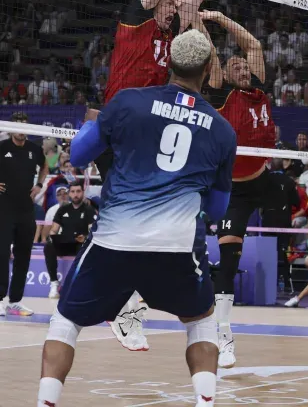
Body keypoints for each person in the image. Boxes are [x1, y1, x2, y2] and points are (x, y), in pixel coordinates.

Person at [36, 29, 237, 407]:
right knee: (201, 322)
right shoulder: (223, 130)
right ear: (210, 68)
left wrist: (93, 124)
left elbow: (77, 156)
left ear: (168, 62)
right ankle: (205, 403)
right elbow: (217, 211)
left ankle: (45, 403)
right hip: (178, 245)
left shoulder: (128, 102)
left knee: (66, 322)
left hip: (116, 239)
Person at [93, 0, 241, 351]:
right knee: (128, 223)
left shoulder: (172, 35)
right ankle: (117, 306)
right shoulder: (135, 20)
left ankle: (128, 304)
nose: (178, 1)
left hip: (148, 137)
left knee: (153, 224)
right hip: (118, 130)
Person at [201, 12, 286, 369]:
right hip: (234, 191)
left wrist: (221, 17)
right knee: (228, 261)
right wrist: (199, 21)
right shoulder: (223, 94)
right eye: (233, 65)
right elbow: (209, 52)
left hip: (265, 181)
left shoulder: (259, 89)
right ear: (224, 74)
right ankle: (223, 334)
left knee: (296, 211)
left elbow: (252, 45)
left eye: (243, 65)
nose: (241, 67)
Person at [0, 111, 48, 317]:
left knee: (23, 255)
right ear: (11, 128)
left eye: (24, 126)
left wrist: (39, 185)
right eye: (17, 126)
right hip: (4, 209)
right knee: (2, 254)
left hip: (25, 210)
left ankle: (15, 301)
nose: (21, 130)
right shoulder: (2, 147)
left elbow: (45, 166)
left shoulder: (34, 149)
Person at [44, 183, 97, 299]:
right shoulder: (62, 209)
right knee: (49, 246)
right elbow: (54, 230)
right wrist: (51, 238)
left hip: (80, 243)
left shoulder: (89, 210)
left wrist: (85, 237)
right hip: (65, 242)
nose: (75, 194)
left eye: (78, 191)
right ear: (69, 194)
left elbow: (92, 231)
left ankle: (79, 285)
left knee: (86, 247)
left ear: (82, 193)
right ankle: (54, 283)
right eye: (73, 192)